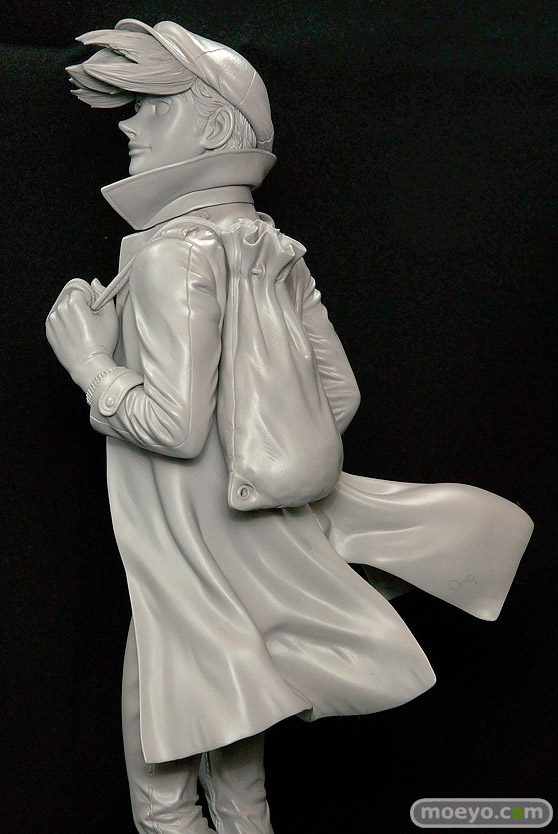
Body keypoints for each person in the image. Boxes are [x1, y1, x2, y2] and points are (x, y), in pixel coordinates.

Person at [46, 19, 533, 834]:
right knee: (239, 779)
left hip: (183, 566)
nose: (128, 126)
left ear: (211, 125)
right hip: (250, 552)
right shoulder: (271, 247)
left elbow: (173, 428)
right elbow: (337, 399)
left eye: (149, 106)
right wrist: (257, 463)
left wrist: (88, 360)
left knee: (166, 794)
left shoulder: (169, 256)